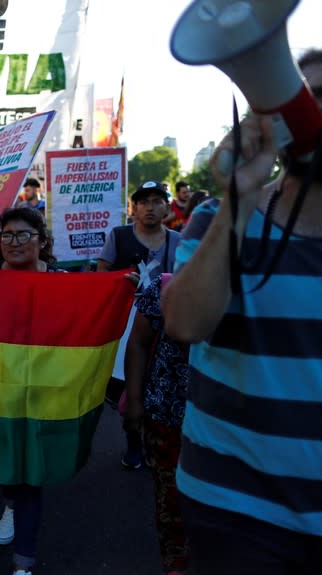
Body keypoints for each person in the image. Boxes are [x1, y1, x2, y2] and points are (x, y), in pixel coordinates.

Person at [162, 45, 322, 574]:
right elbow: (183, 324)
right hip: (236, 511)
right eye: (320, 96)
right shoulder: (214, 218)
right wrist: (239, 200)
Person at [0, 207, 62, 575]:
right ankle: (8, 500)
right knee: (8, 462)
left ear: (41, 241)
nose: (14, 242)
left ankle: (23, 560)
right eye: (7, 235)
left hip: (44, 390)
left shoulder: (63, 282)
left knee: (32, 472)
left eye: (24, 235)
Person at [98, 181, 182, 470]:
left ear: (167, 208)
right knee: (128, 386)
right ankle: (133, 439)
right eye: (144, 201)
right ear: (134, 208)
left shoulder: (178, 241)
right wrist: (120, 285)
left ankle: (156, 442)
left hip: (165, 328)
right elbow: (102, 272)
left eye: (157, 201)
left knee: (160, 384)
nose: (150, 207)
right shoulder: (119, 236)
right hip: (125, 327)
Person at [124, 273, 190, 575]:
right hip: (167, 416)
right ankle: (175, 564)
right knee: (171, 499)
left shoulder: (258, 288)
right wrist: (135, 403)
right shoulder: (163, 287)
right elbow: (138, 343)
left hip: (232, 423)